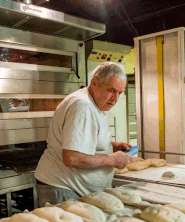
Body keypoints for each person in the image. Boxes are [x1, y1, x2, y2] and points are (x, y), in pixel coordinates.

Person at [35, 62, 133, 207]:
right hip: (64, 190)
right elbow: (72, 158)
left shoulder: (95, 104)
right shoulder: (83, 106)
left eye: (119, 92)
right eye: (111, 90)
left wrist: (111, 147)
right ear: (94, 83)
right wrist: (112, 160)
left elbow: (84, 141)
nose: (115, 98)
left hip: (74, 190)